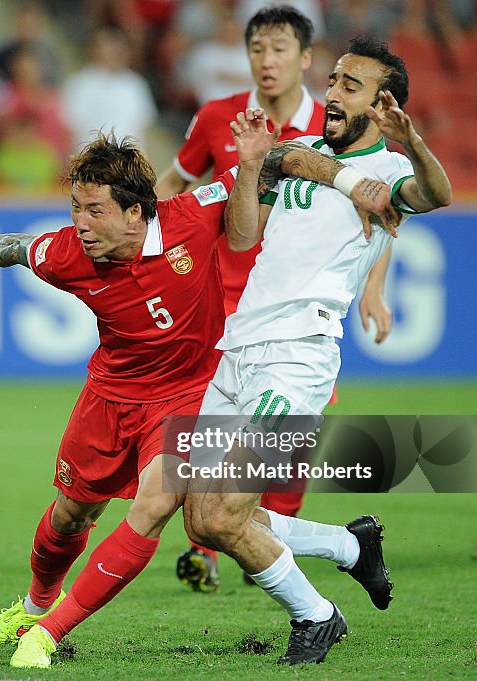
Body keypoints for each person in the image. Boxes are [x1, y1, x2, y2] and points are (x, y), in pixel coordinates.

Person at [0, 130, 399, 669]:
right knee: (72, 515)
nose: (80, 224)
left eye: (94, 211)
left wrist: (348, 180)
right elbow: (17, 247)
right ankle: (36, 604)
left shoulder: (191, 216)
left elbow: (274, 160)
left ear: (135, 213)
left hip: (190, 394)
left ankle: (49, 633)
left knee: (162, 507)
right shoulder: (66, 252)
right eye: (75, 209)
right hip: (109, 395)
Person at [183, 36, 452, 665]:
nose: (330, 93)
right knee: (200, 521)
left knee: (225, 515)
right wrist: (252, 166)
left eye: (349, 86)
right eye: (332, 80)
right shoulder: (299, 151)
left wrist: (410, 141)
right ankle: (350, 547)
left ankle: (317, 616)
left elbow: (438, 196)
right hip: (239, 347)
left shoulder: (390, 175)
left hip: (296, 356)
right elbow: (244, 235)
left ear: (382, 105)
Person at [157, 4, 394, 593]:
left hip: (296, 326)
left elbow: (381, 207)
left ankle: (285, 560)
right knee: (204, 465)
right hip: (226, 313)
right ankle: (220, 546)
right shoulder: (218, 117)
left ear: (305, 59)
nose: (267, 61)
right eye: (257, 50)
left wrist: (374, 286)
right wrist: (145, 235)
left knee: (280, 459)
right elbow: (177, 186)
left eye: (279, 49)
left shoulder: (335, 126)